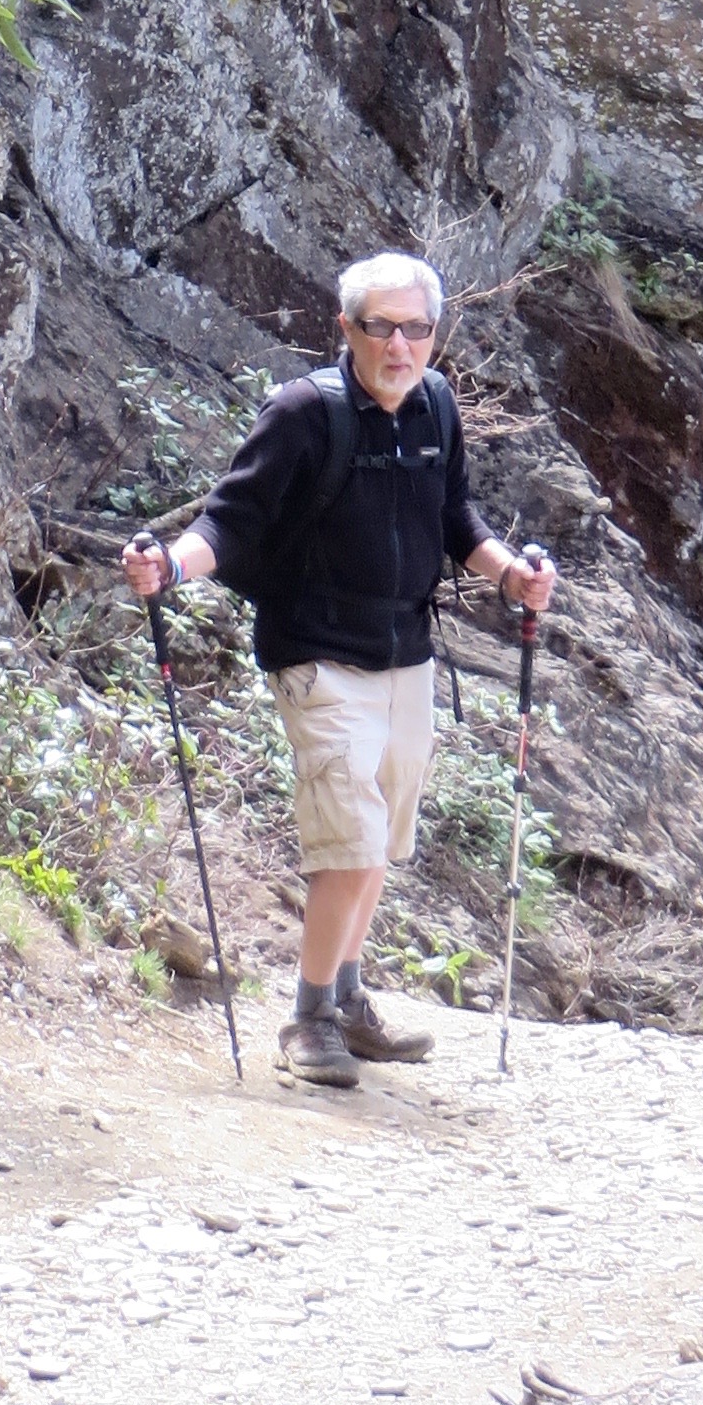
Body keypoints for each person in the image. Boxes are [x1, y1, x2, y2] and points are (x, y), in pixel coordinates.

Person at [124, 249, 559, 1088]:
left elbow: (455, 517)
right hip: (315, 653)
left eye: (416, 329)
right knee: (352, 843)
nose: (400, 346)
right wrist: (170, 568)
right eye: (381, 328)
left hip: (405, 656)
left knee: (383, 841)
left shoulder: (435, 405)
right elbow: (230, 522)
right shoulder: (302, 414)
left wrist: (511, 574)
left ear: (434, 335)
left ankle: (349, 1000)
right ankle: (310, 1016)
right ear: (346, 331)